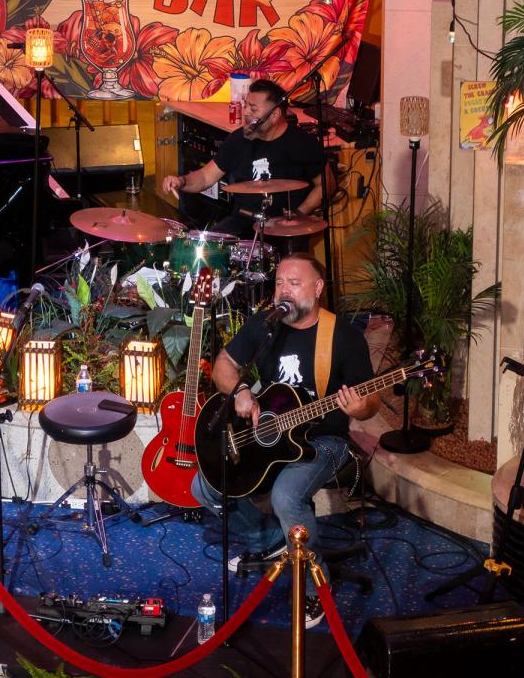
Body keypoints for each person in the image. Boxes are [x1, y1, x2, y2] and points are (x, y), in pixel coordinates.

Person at [190, 252, 378, 627]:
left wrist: (359, 407)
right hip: (270, 434)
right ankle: (271, 541)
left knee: (286, 496)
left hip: (323, 439)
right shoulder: (266, 325)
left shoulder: (343, 337)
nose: (283, 291)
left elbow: (370, 403)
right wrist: (242, 391)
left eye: (294, 283)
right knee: (204, 487)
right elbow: (224, 364)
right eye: (279, 283)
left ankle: (314, 587)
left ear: (318, 288)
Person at [160, 78, 326, 238]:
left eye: (253, 109)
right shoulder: (238, 140)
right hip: (243, 222)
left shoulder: (302, 143)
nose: (246, 112)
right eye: (246, 105)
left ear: (275, 114)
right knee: (209, 247)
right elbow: (205, 177)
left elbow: (325, 185)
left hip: (285, 227)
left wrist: (300, 213)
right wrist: (181, 181)